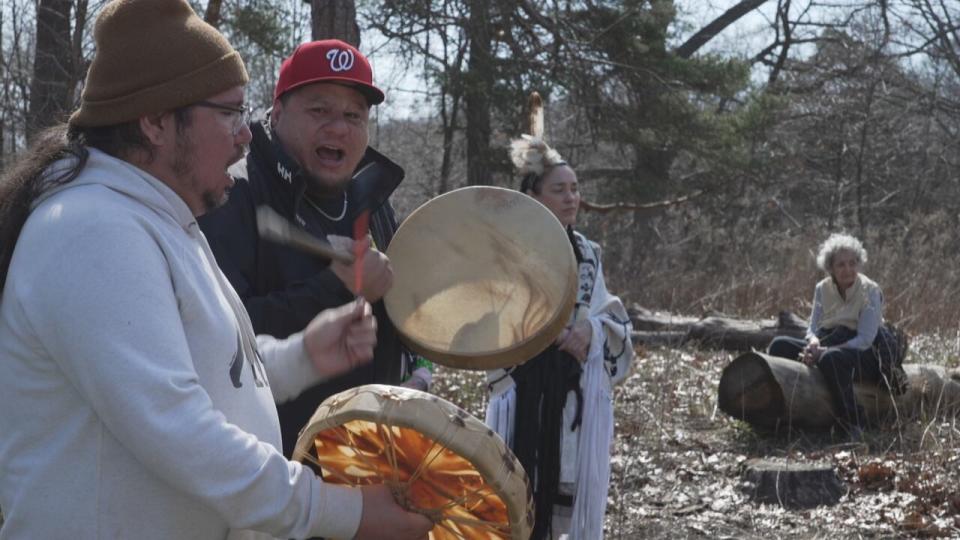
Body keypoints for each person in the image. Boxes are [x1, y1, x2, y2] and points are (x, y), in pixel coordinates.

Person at [0, 1, 433, 539]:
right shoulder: (91, 229)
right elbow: (176, 430)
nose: (245, 134)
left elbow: (214, 375)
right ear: (156, 121)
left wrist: (302, 356)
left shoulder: (163, 221)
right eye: (228, 112)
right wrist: (341, 511)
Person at [199, 39, 432, 459]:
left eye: (353, 116)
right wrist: (334, 288)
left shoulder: (372, 200)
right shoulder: (233, 193)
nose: (338, 128)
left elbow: (397, 318)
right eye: (319, 110)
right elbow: (216, 339)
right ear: (278, 112)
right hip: (271, 473)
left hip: (368, 462)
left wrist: (420, 367)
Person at [485, 134, 634, 540]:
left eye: (575, 189)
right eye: (559, 190)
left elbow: (611, 316)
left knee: (565, 503)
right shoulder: (508, 251)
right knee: (518, 496)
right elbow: (491, 316)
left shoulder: (588, 253)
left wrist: (590, 331)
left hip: (572, 398)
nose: (571, 198)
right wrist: (546, 333)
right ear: (534, 196)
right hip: (523, 392)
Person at [768, 233, 907, 438]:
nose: (848, 269)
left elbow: (865, 339)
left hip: (866, 354)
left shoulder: (870, 290)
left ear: (859, 264)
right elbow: (813, 327)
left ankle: (853, 421)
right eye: (841, 264)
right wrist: (813, 344)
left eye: (852, 263)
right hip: (828, 342)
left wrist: (823, 351)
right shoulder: (822, 288)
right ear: (830, 267)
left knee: (830, 358)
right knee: (779, 345)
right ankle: (780, 413)